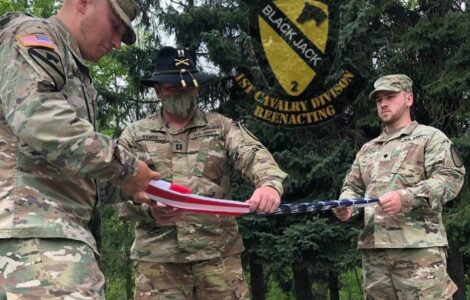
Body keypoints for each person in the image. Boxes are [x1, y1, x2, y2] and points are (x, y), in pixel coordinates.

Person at [0, 0, 161, 298]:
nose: (116, 42)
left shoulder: (71, 66)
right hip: (36, 239)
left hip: (42, 238)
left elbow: (60, 167)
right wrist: (126, 166)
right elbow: (38, 119)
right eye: (115, 25)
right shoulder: (36, 37)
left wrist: (131, 187)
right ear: (84, 2)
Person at [115, 46, 288, 299]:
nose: (182, 91)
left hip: (217, 255)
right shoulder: (134, 135)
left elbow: (252, 153)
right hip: (159, 262)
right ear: (159, 89)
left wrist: (269, 184)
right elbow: (117, 188)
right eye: (174, 86)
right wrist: (149, 210)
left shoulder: (220, 126)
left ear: (197, 87)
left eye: (188, 85)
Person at [333, 74, 465, 299]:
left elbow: (450, 178)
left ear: (409, 99)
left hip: (419, 252)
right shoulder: (368, 150)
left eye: (390, 97)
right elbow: (352, 187)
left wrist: (407, 197)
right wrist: (347, 206)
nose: (383, 103)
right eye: (378, 100)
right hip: (375, 255)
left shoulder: (429, 138)